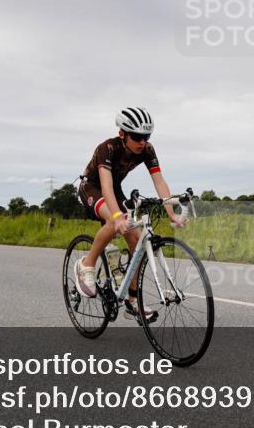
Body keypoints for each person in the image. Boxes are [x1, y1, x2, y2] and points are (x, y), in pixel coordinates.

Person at [74, 107, 186, 320]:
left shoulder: (147, 150)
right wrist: (117, 217)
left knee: (136, 241)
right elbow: (106, 186)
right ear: (122, 134)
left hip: (114, 189)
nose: (142, 142)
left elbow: (159, 181)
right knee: (113, 220)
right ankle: (86, 264)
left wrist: (171, 213)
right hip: (92, 187)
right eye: (137, 137)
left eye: (146, 137)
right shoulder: (107, 148)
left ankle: (132, 301)